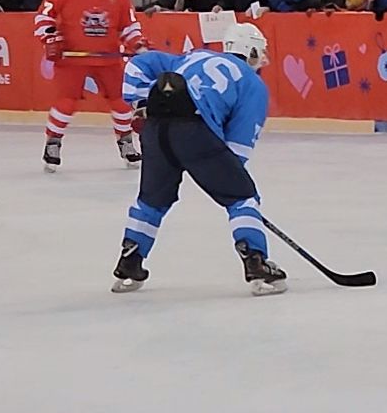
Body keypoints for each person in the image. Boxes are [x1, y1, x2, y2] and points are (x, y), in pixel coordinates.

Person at [111, 24, 285, 296]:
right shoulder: (253, 84)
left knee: (151, 201)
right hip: (196, 132)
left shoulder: (193, 56)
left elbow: (138, 64)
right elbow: (238, 148)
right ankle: (256, 261)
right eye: (260, 51)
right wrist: (224, 180)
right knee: (243, 198)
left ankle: (130, 261)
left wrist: (141, 102)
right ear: (249, 49)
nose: (262, 58)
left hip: (155, 130)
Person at [32, 0, 145, 170]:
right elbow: (44, 16)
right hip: (73, 57)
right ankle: (53, 142)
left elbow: (128, 25)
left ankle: (126, 143)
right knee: (66, 102)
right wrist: (51, 35)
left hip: (108, 56)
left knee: (122, 100)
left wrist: (138, 45)